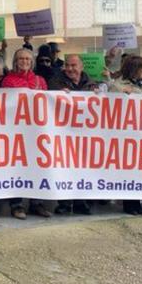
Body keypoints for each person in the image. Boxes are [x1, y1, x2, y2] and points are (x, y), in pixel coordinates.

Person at [2, 48, 50, 219]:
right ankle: (16, 205)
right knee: (17, 167)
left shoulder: (40, 80)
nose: (24, 62)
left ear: (32, 62)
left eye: (28, 59)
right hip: (16, 131)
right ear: (15, 61)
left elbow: (48, 103)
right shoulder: (8, 81)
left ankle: (38, 203)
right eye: (21, 58)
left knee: (38, 166)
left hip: (37, 131)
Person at [47, 54, 96, 216]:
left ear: (82, 67)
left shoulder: (91, 84)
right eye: (67, 65)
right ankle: (65, 203)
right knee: (65, 167)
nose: (70, 69)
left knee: (83, 168)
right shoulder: (55, 82)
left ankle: (81, 201)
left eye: (74, 65)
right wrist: (58, 94)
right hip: (63, 133)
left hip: (84, 134)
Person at [108, 56, 142, 216]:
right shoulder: (118, 86)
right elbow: (112, 107)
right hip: (126, 133)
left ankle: (138, 201)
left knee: (140, 168)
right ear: (134, 69)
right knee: (128, 168)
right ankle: (129, 203)